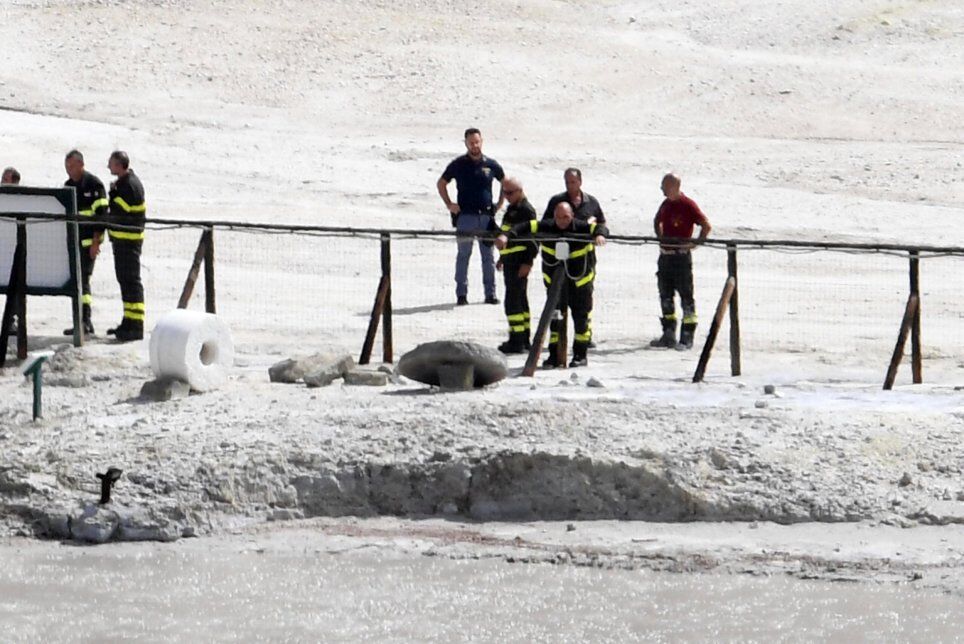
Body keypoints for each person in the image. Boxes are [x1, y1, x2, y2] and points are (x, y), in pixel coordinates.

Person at [497, 202, 608, 368]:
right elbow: (524, 226)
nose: (561, 221)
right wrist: (506, 235)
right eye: (558, 217)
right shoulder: (547, 225)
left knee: (581, 320)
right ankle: (555, 355)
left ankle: (580, 355)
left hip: (580, 283)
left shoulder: (581, 226)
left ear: (572, 216)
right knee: (555, 319)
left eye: (565, 217)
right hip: (555, 284)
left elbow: (600, 228)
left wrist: (599, 235)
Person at [437, 127, 504, 306]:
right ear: (466, 143)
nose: (475, 145)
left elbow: (504, 182)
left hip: (486, 218)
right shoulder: (458, 164)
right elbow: (441, 183)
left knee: (487, 256)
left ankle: (490, 294)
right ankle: (461, 294)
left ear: (482, 141)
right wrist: (449, 204)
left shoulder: (491, 164)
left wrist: (499, 204)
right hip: (465, 216)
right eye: (471, 142)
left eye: (477, 142)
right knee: (463, 255)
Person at [542, 168, 606, 347]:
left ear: (580, 182)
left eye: (573, 182)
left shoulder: (591, 202)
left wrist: (597, 232)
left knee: (583, 305)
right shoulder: (556, 202)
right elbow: (545, 225)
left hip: (583, 264)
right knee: (556, 307)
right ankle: (556, 346)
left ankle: (584, 340)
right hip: (557, 264)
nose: (570, 185)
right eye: (567, 182)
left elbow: (602, 222)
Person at [650, 173, 712, 350]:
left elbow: (706, 225)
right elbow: (657, 221)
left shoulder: (688, 204)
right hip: (665, 257)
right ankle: (668, 334)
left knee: (686, 296)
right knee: (665, 295)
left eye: (665, 185)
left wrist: (695, 243)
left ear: (674, 186)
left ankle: (687, 336)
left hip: (681, 257)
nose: (662, 188)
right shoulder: (665, 204)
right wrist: (660, 238)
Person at [62, 150, 109, 336]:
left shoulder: (94, 184)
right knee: (77, 281)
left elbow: (102, 216)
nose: (69, 170)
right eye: (67, 167)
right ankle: (80, 320)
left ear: (81, 164)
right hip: (74, 242)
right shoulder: (68, 186)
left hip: (90, 242)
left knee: (84, 280)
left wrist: (96, 242)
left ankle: (85, 320)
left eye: (72, 166)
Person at [106, 151, 147, 342]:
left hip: (128, 243)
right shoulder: (126, 183)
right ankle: (128, 321)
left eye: (111, 164)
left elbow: (119, 211)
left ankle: (136, 325)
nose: (109, 167)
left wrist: (112, 194)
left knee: (131, 283)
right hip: (122, 242)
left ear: (120, 165)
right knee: (125, 283)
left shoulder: (129, 185)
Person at [495, 177, 537, 354]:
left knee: (513, 302)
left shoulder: (526, 211)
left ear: (520, 191)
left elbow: (533, 240)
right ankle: (522, 338)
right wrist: (502, 258)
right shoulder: (511, 209)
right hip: (511, 261)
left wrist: (528, 262)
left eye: (510, 193)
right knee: (519, 300)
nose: (507, 196)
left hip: (520, 262)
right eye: (504, 193)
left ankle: (518, 340)